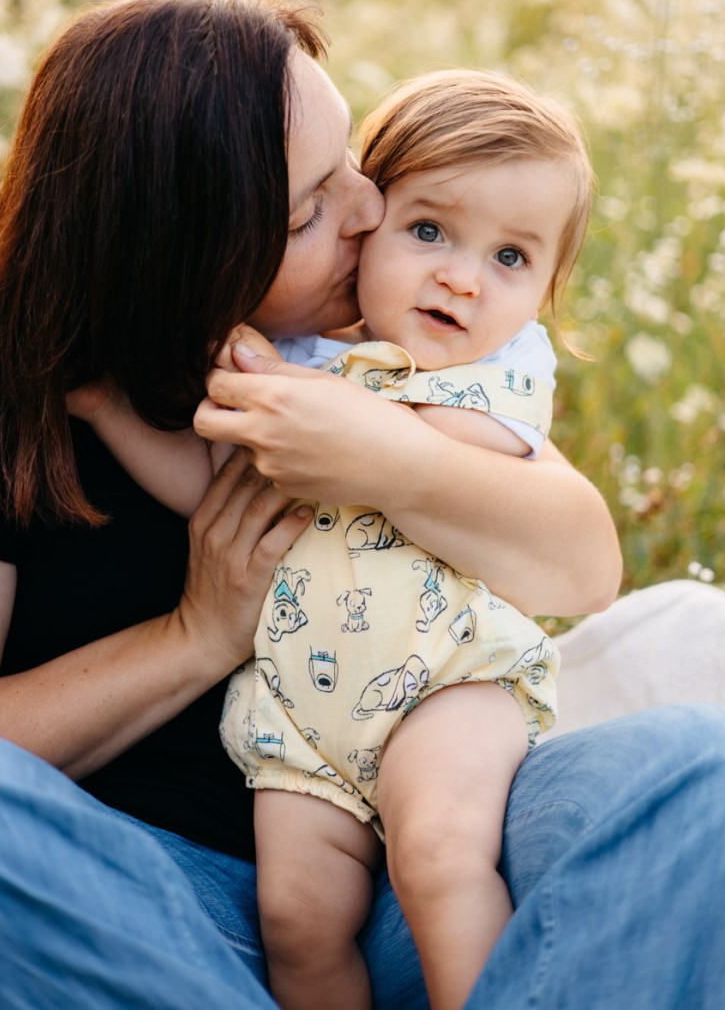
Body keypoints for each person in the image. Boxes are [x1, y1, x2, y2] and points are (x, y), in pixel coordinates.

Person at [0, 0, 725, 1010]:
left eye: (353, 171)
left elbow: (582, 562)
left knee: (704, 766)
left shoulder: (362, 344)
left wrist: (386, 460)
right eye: (313, 205)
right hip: (143, 890)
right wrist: (195, 636)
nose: (370, 212)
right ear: (187, 248)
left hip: (418, 849)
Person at [79, 68, 592, 1010]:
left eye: (512, 259)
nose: (462, 276)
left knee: (441, 858)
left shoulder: (494, 377)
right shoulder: (315, 352)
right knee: (296, 919)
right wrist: (111, 407)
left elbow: (443, 457)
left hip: (446, 679)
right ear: (369, 221)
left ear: (547, 289)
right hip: (303, 715)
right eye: (429, 230)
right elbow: (217, 486)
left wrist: (292, 396)